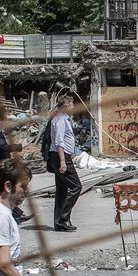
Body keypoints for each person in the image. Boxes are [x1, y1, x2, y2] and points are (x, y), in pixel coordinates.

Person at [49, 93, 81, 232]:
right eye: (71, 104)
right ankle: (63, 218)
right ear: (65, 106)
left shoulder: (63, 118)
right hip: (60, 156)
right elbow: (59, 142)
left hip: (61, 156)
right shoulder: (61, 120)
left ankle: (59, 223)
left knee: (62, 190)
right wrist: (63, 161)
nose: (73, 107)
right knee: (76, 187)